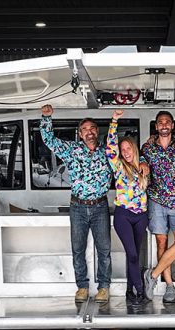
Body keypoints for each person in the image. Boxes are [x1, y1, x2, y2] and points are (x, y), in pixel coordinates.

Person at [40, 104, 112, 303]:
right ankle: (82, 287)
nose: (89, 132)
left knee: (104, 249)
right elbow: (49, 140)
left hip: (100, 206)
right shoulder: (71, 150)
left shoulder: (108, 151)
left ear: (97, 131)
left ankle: (104, 287)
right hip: (78, 206)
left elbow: (129, 154)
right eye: (85, 129)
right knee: (78, 249)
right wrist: (46, 118)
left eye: (92, 128)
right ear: (80, 134)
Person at [140, 111, 175, 304]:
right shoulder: (148, 148)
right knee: (162, 244)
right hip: (156, 201)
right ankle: (169, 286)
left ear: (173, 125)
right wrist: (142, 162)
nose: (164, 125)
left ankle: (152, 275)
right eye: (160, 122)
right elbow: (139, 159)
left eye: (167, 122)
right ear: (156, 126)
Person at [106, 109, 150, 304]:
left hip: (141, 216)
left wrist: (144, 162)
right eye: (122, 150)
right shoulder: (118, 166)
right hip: (123, 215)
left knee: (135, 255)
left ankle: (129, 291)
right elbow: (110, 148)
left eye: (128, 148)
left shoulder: (143, 167)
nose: (125, 152)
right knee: (132, 254)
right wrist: (114, 121)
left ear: (134, 149)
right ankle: (140, 291)